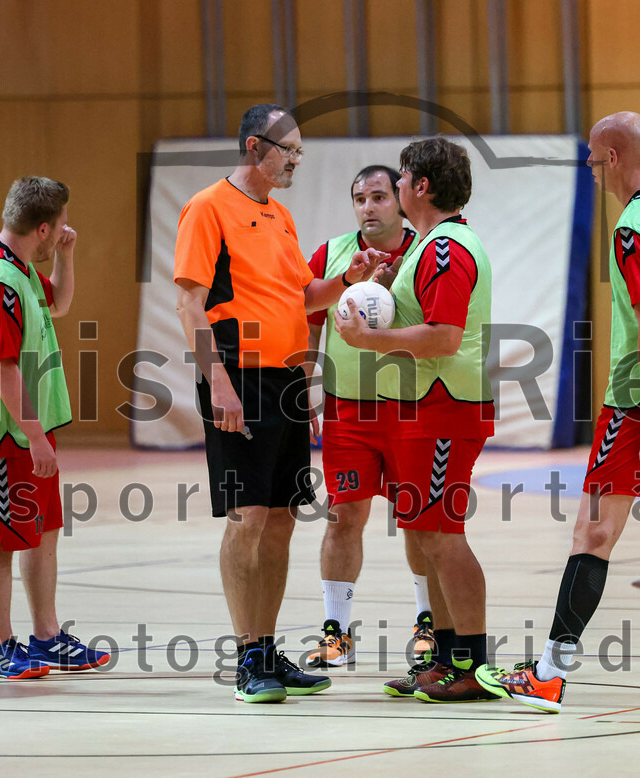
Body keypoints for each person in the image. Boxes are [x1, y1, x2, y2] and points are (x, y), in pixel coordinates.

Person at [476, 111, 640, 713]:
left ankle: (547, 674)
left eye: (596, 158)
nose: (593, 168)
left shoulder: (633, 228)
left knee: (593, 533)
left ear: (615, 156)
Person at [174, 104, 386, 703]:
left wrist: (349, 278)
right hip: (238, 375)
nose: (295, 160)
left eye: (299, 152)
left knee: (284, 519)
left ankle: (267, 651)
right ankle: (247, 659)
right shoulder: (207, 207)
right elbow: (190, 304)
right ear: (253, 147)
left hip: (287, 383)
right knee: (249, 518)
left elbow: (304, 296)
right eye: (287, 150)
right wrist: (217, 384)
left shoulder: (282, 218)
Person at [336, 138, 496, 703]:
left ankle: (472, 667)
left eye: (401, 178)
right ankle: (448, 661)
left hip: (445, 406)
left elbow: (445, 337)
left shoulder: (446, 248)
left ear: (420, 186)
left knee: (442, 535)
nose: (397, 186)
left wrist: (367, 338)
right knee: (425, 533)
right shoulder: (429, 247)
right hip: (425, 406)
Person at [0, 176, 110, 679]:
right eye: (58, 229)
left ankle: (46, 638)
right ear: (43, 227)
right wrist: (35, 435)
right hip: (2, 433)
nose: (63, 232)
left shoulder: (12, 260)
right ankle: (1, 647)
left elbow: (57, 304)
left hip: (27, 429)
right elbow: (3, 368)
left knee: (43, 534)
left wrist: (67, 255)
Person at [304, 165, 437, 668]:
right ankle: (336, 632)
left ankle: (428, 624)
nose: (368, 207)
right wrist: (305, 390)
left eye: (379, 196)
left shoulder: (429, 249)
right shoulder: (332, 254)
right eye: (360, 198)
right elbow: (307, 321)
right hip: (347, 407)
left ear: (399, 202)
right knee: (343, 516)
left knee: (419, 521)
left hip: (412, 407)